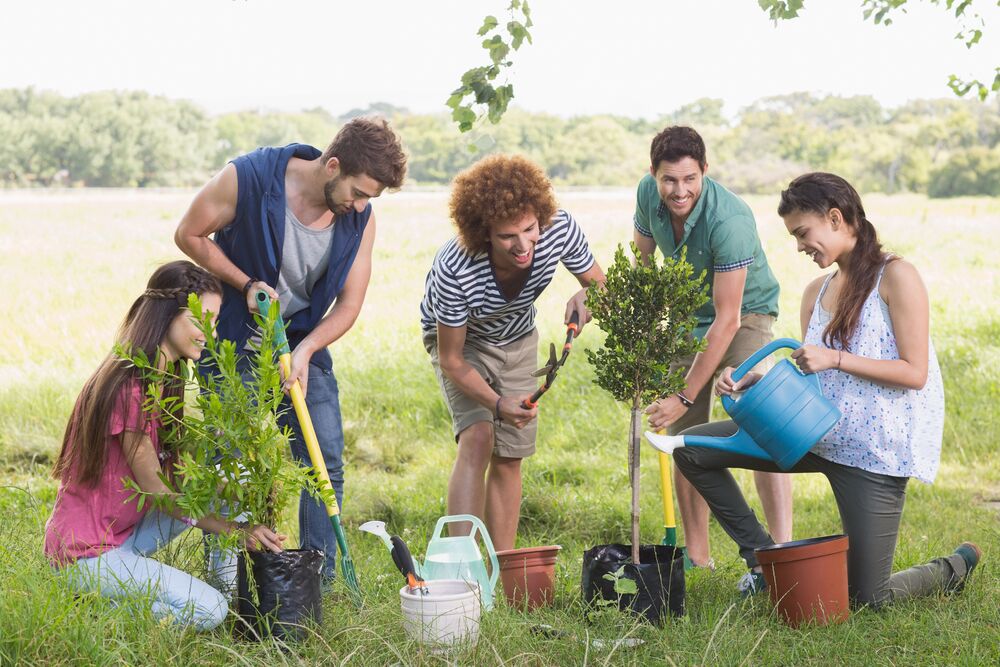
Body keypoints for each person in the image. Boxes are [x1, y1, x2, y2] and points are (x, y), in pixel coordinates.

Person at [668, 172, 980, 605]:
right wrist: (759, 381)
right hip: (811, 436)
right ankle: (763, 559)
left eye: (802, 233)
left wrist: (834, 357)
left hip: (872, 453)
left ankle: (953, 566)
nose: (798, 246)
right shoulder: (817, 291)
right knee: (689, 447)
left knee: (869, 599)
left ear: (836, 218)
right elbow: (814, 379)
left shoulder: (897, 278)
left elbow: (914, 373)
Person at [175, 117, 407, 584]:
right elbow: (189, 234)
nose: (360, 205)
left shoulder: (359, 219)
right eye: (358, 192)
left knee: (324, 462)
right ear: (333, 165)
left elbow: (351, 302)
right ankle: (224, 578)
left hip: (302, 343)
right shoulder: (250, 178)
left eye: (370, 199)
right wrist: (245, 283)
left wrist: (306, 350)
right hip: (235, 342)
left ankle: (313, 580)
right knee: (229, 461)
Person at [44, 261, 285, 631]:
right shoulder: (128, 387)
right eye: (200, 320)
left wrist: (246, 490)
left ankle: (224, 585)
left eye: (215, 321)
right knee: (208, 611)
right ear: (165, 315)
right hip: (86, 554)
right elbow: (158, 492)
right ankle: (90, 615)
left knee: (221, 477)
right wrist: (237, 532)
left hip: (124, 536)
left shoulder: (164, 381)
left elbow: (183, 479)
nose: (210, 333)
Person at [420, 154, 605, 551]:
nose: (523, 245)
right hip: (462, 342)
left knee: (510, 454)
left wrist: (587, 295)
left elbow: (601, 285)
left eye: (529, 229)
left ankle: (500, 566)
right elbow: (452, 359)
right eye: (508, 237)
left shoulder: (559, 229)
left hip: (518, 336)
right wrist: (497, 403)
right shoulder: (455, 268)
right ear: (484, 233)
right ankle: (464, 566)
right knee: (480, 436)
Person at [636, 126, 791, 574]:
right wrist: (647, 338)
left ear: (705, 170)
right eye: (669, 180)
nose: (678, 191)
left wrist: (683, 391)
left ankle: (781, 549)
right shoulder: (648, 194)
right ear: (653, 174)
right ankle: (698, 556)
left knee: (763, 419)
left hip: (745, 314)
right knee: (684, 435)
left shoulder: (731, 221)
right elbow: (644, 265)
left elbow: (728, 320)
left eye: (689, 179)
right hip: (688, 315)